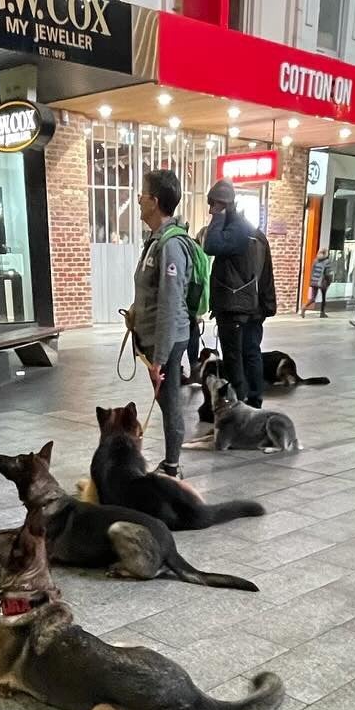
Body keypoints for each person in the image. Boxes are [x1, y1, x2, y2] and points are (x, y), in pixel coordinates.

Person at [129, 169, 192, 478]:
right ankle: (171, 464)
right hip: (153, 335)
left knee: (169, 403)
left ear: (154, 201)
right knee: (165, 401)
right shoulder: (154, 240)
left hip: (167, 338)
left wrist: (160, 359)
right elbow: (150, 289)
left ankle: (172, 467)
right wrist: (135, 312)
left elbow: (169, 303)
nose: (138, 200)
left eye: (142, 195)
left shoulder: (171, 246)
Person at [203, 180, 275, 408]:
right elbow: (267, 274)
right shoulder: (254, 231)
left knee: (235, 358)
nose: (209, 210)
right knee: (251, 353)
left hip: (235, 308)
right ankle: (254, 401)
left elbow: (210, 245)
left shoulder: (236, 230)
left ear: (221, 204)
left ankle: (242, 404)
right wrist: (265, 306)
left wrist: (218, 216)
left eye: (212, 205)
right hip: (252, 308)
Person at [301, 248, 334, 318]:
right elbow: (328, 274)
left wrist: (311, 280)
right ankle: (322, 313)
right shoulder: (327, 262)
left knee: (313, 298)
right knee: (323, 298)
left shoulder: (315, 260)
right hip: (322, 282)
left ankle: (304, 307)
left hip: (314, 281)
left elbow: (312, 271)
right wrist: (329, 282)